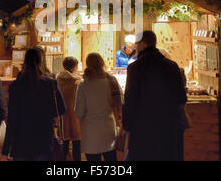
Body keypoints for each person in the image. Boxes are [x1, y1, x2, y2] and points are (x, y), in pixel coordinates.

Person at [123, 30, 187, 161]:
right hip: (169, 128)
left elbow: (130, 100)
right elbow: (182, 98)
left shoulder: (135, 68)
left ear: (144, 44)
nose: (135, 46)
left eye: (137, 43)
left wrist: (127, 126)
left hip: (143, 130)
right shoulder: (172, 66)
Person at [2, 48, 65, 161]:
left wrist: (5, 150)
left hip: (21, 142)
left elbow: (12, 119)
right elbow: (61, 109)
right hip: (44, 140)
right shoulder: (51, 84)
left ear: (24, 63)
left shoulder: (15, 86)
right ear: (41, 62)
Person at [75, 53, 123, 161]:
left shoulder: (83, 84)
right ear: (102, 63)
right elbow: (119, 103)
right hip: (108, 128)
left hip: (90, 131)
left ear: (87, 65)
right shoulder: (111, 81)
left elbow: (79, 112)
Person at [56, 56, 82, 161]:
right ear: (75, 67)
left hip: (62, 115)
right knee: (77, 143)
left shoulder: (58, 79)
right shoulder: (78, 81)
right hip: (76, 115)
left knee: (64, 144)